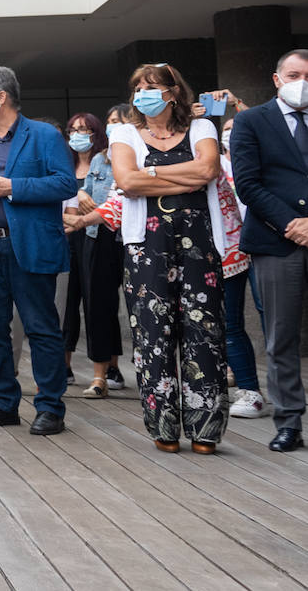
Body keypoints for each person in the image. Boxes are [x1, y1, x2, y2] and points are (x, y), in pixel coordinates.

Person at [109, 62, 226, 454]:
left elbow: (208, 169)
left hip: (198, 239)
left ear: (173, 92)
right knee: (152, 333)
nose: (142, 91)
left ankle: (205, 428)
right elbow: (126, 181)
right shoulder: (125, 132)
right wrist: (183, 174)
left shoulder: (202, 128)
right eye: (138, 86)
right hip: (147, 243)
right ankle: (164, 427)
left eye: (152, 85)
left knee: (203, 331)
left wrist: (152, 174)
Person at [0, 66, 72, 436]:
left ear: (0, 97)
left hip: (29, 245)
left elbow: (65, 183)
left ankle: (50, 407)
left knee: (41, 328)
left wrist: (12, 186)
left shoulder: (44, 135)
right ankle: (3, 402)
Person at [230, 48, 308, 452]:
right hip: (277, 241)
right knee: (281, 336)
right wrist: (293, 224)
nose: (302, 83)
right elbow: (247, 182)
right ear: (278, 80)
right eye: (294, 74)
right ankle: (289, 421)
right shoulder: (251, 120)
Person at [58, 111, 125, 399]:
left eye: (84, 129)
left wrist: (86, 198)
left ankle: (106, 369)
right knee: (66, 303)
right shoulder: (63, 164)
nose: (78, 134)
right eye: (73, 129)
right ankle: (65, 367)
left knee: (99, 303)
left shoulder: (106, 161)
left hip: (98, 238)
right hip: (65, 238)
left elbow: (111, 203)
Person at [217, 114, 266, 418]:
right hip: (229, 249)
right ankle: (250, 392)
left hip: (266, 245)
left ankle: (286, 390)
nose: (231, 135)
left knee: (272, 319)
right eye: (226, 129)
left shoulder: (264, 158)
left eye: (237, 128)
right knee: (230, 323)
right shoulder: (212, 161)